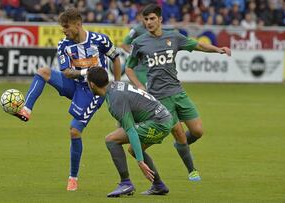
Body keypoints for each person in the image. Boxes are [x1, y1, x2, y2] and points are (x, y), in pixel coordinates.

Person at [15, 7, 122, 191]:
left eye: (66, 27)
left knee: (74, 131)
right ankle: (26, 109)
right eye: (62, 27)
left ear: (78, 24)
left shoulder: (99, 40)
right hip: (75, 84)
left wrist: (117, 85)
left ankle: (73, 177)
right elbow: (66, 72)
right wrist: (85, 72)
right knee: (43, 72)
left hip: (94, 91)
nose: (64, 30)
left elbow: (116, 59)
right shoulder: (64, 45)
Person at [125, 4, 231, 181]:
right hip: (159, 97)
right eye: (146, 19)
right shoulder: (139, 42)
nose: (149, 22)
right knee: (179, 132)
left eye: (152, 18)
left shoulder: (173, 36)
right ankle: (192, 170)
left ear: (160, 19)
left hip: (178, 92)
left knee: (197, 131)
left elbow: (198, 46)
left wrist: (218, 50)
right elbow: (129, 68)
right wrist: (139, 86)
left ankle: (180, 147)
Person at [87, 66, 174, 197]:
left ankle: (125, 183)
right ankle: (159, 185)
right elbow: (126, 120)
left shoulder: (115, 98)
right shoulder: (115, 86)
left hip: (158, 123)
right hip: (164, 118)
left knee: (111, 140)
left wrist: (140, 162)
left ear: (92, 84)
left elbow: (131, 130)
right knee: (132, 148)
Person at [120, 14, 148, 87]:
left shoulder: (154, 29)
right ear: (142, 18)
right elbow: (124, 44)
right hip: (139, 67)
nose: (148, 21)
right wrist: (135, 53)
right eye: (146, 18)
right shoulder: (136, 30)